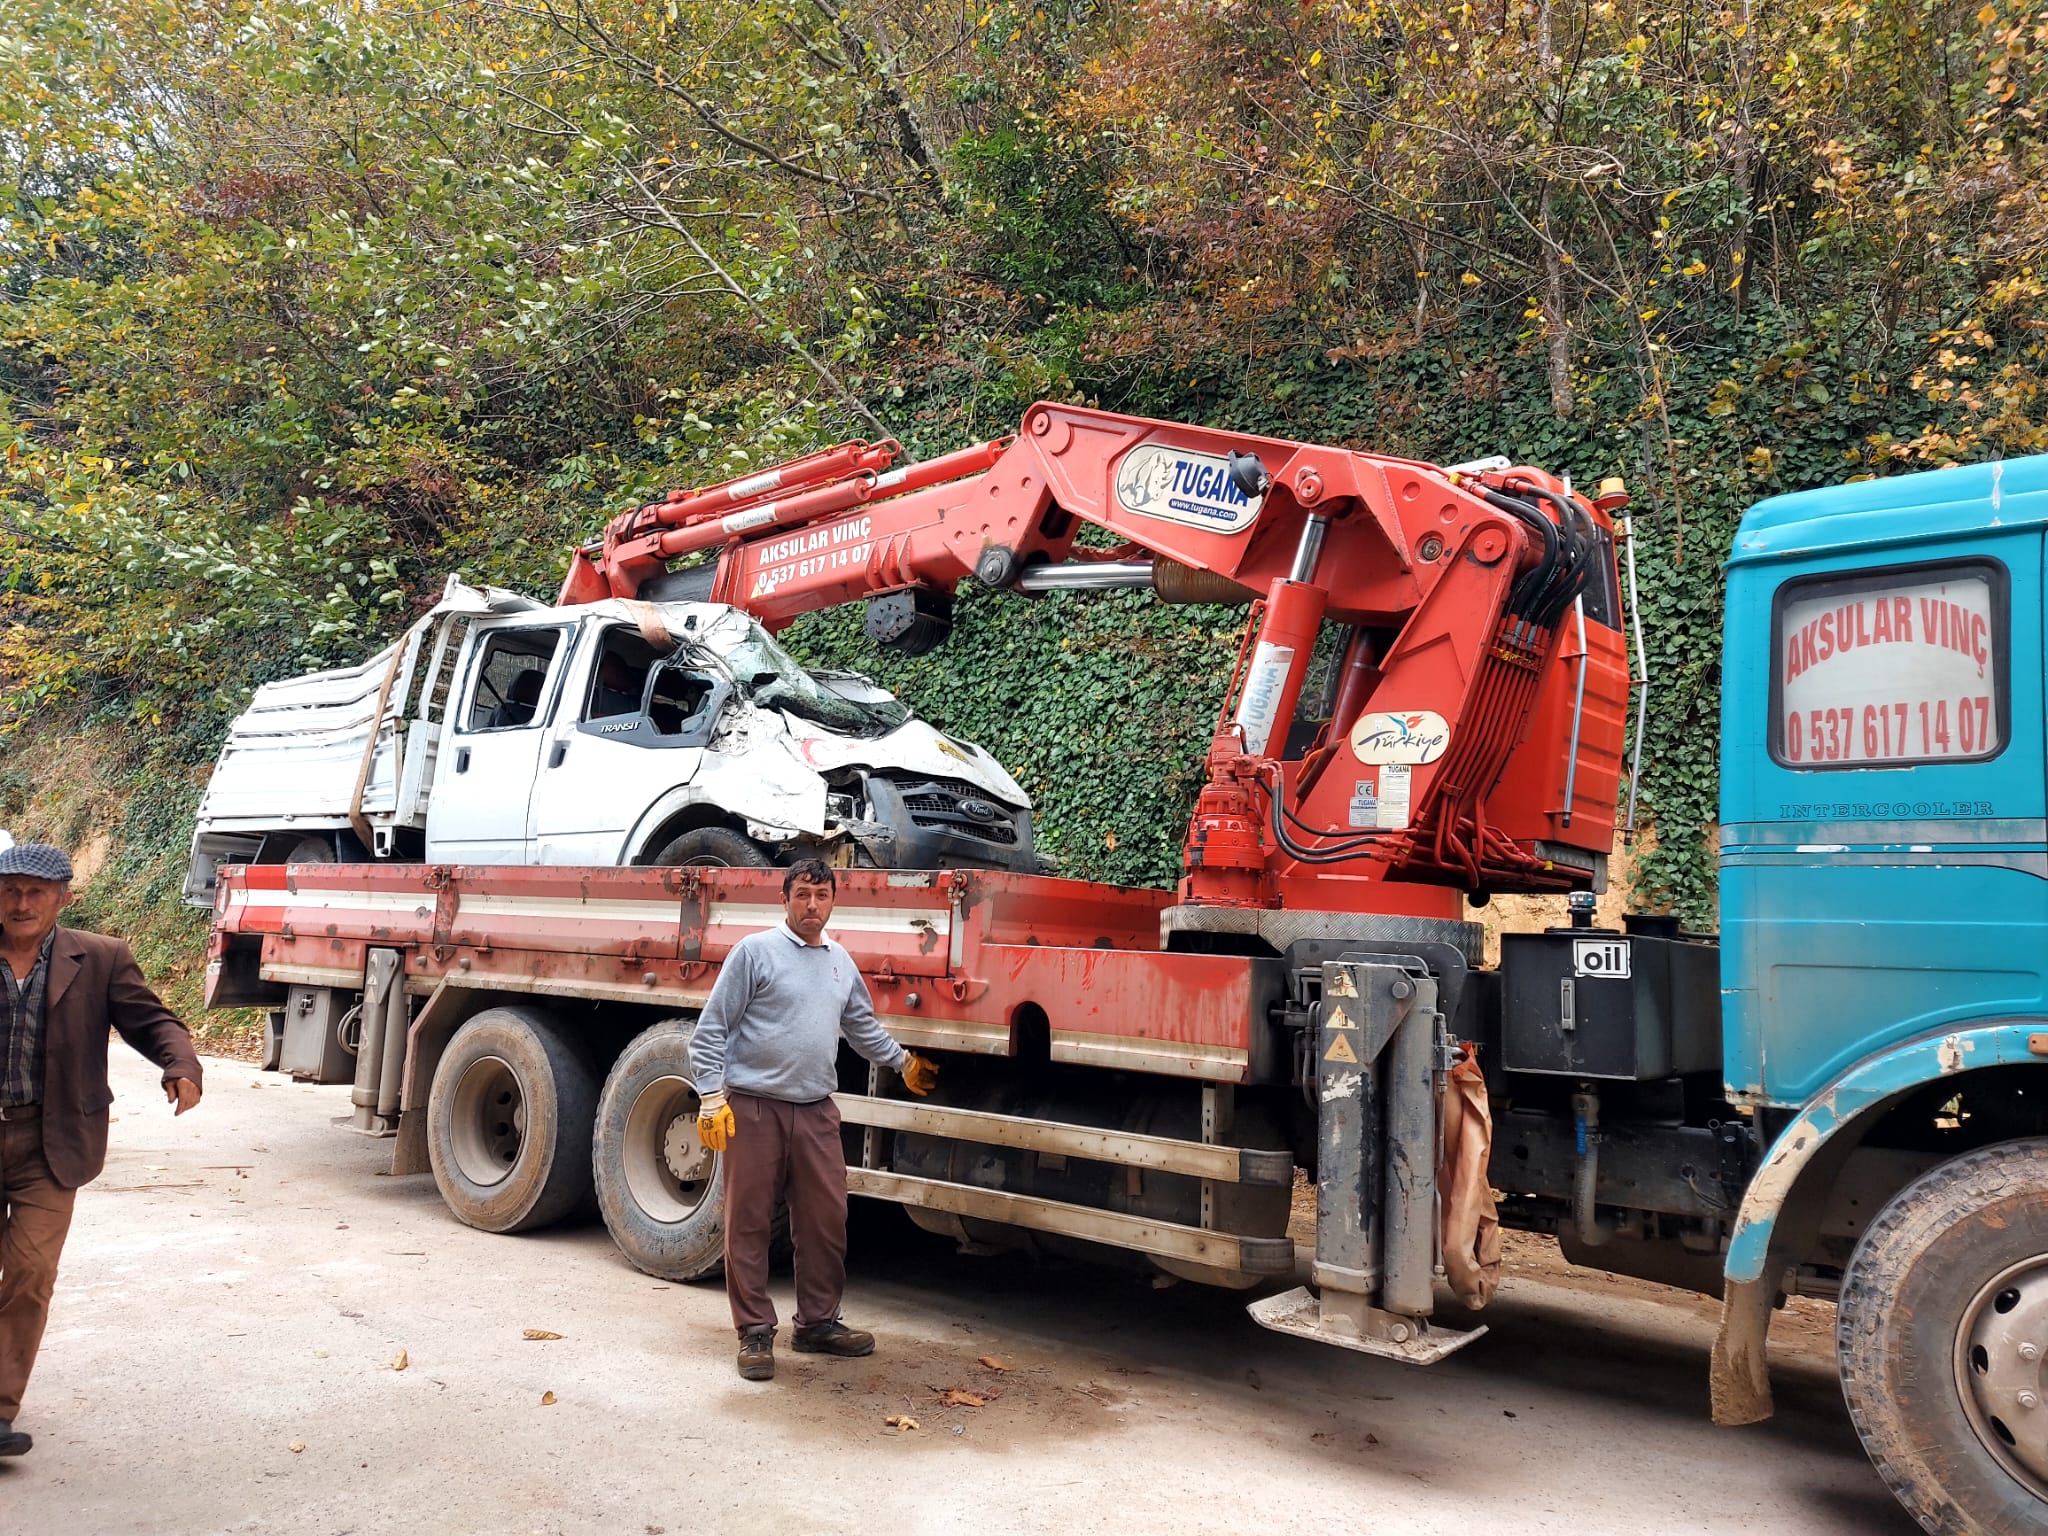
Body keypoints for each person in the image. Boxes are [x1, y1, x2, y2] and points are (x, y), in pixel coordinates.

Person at [691, 858, 938, 1382]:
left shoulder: (839, 962)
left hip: (817, 1109)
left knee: (826, 1220)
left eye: (821, 896)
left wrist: (902, 1061)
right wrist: (712, 1096)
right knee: (749, 1223)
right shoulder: (754, 953)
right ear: (785, 899)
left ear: (833, 903)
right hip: (754, 1108)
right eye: (802, 894)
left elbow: (861, 1027)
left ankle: (818, 1323)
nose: (811, 905)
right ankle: (755, 1332)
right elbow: (711, 1029)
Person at [0, 843, 203, 1458]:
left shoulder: (102, 958)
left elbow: (152, 1019)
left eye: (36, 891)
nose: (20, 901)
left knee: (31, 1274)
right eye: (9, 888)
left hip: (50, 1141)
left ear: (65, 898)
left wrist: (180, 1062)